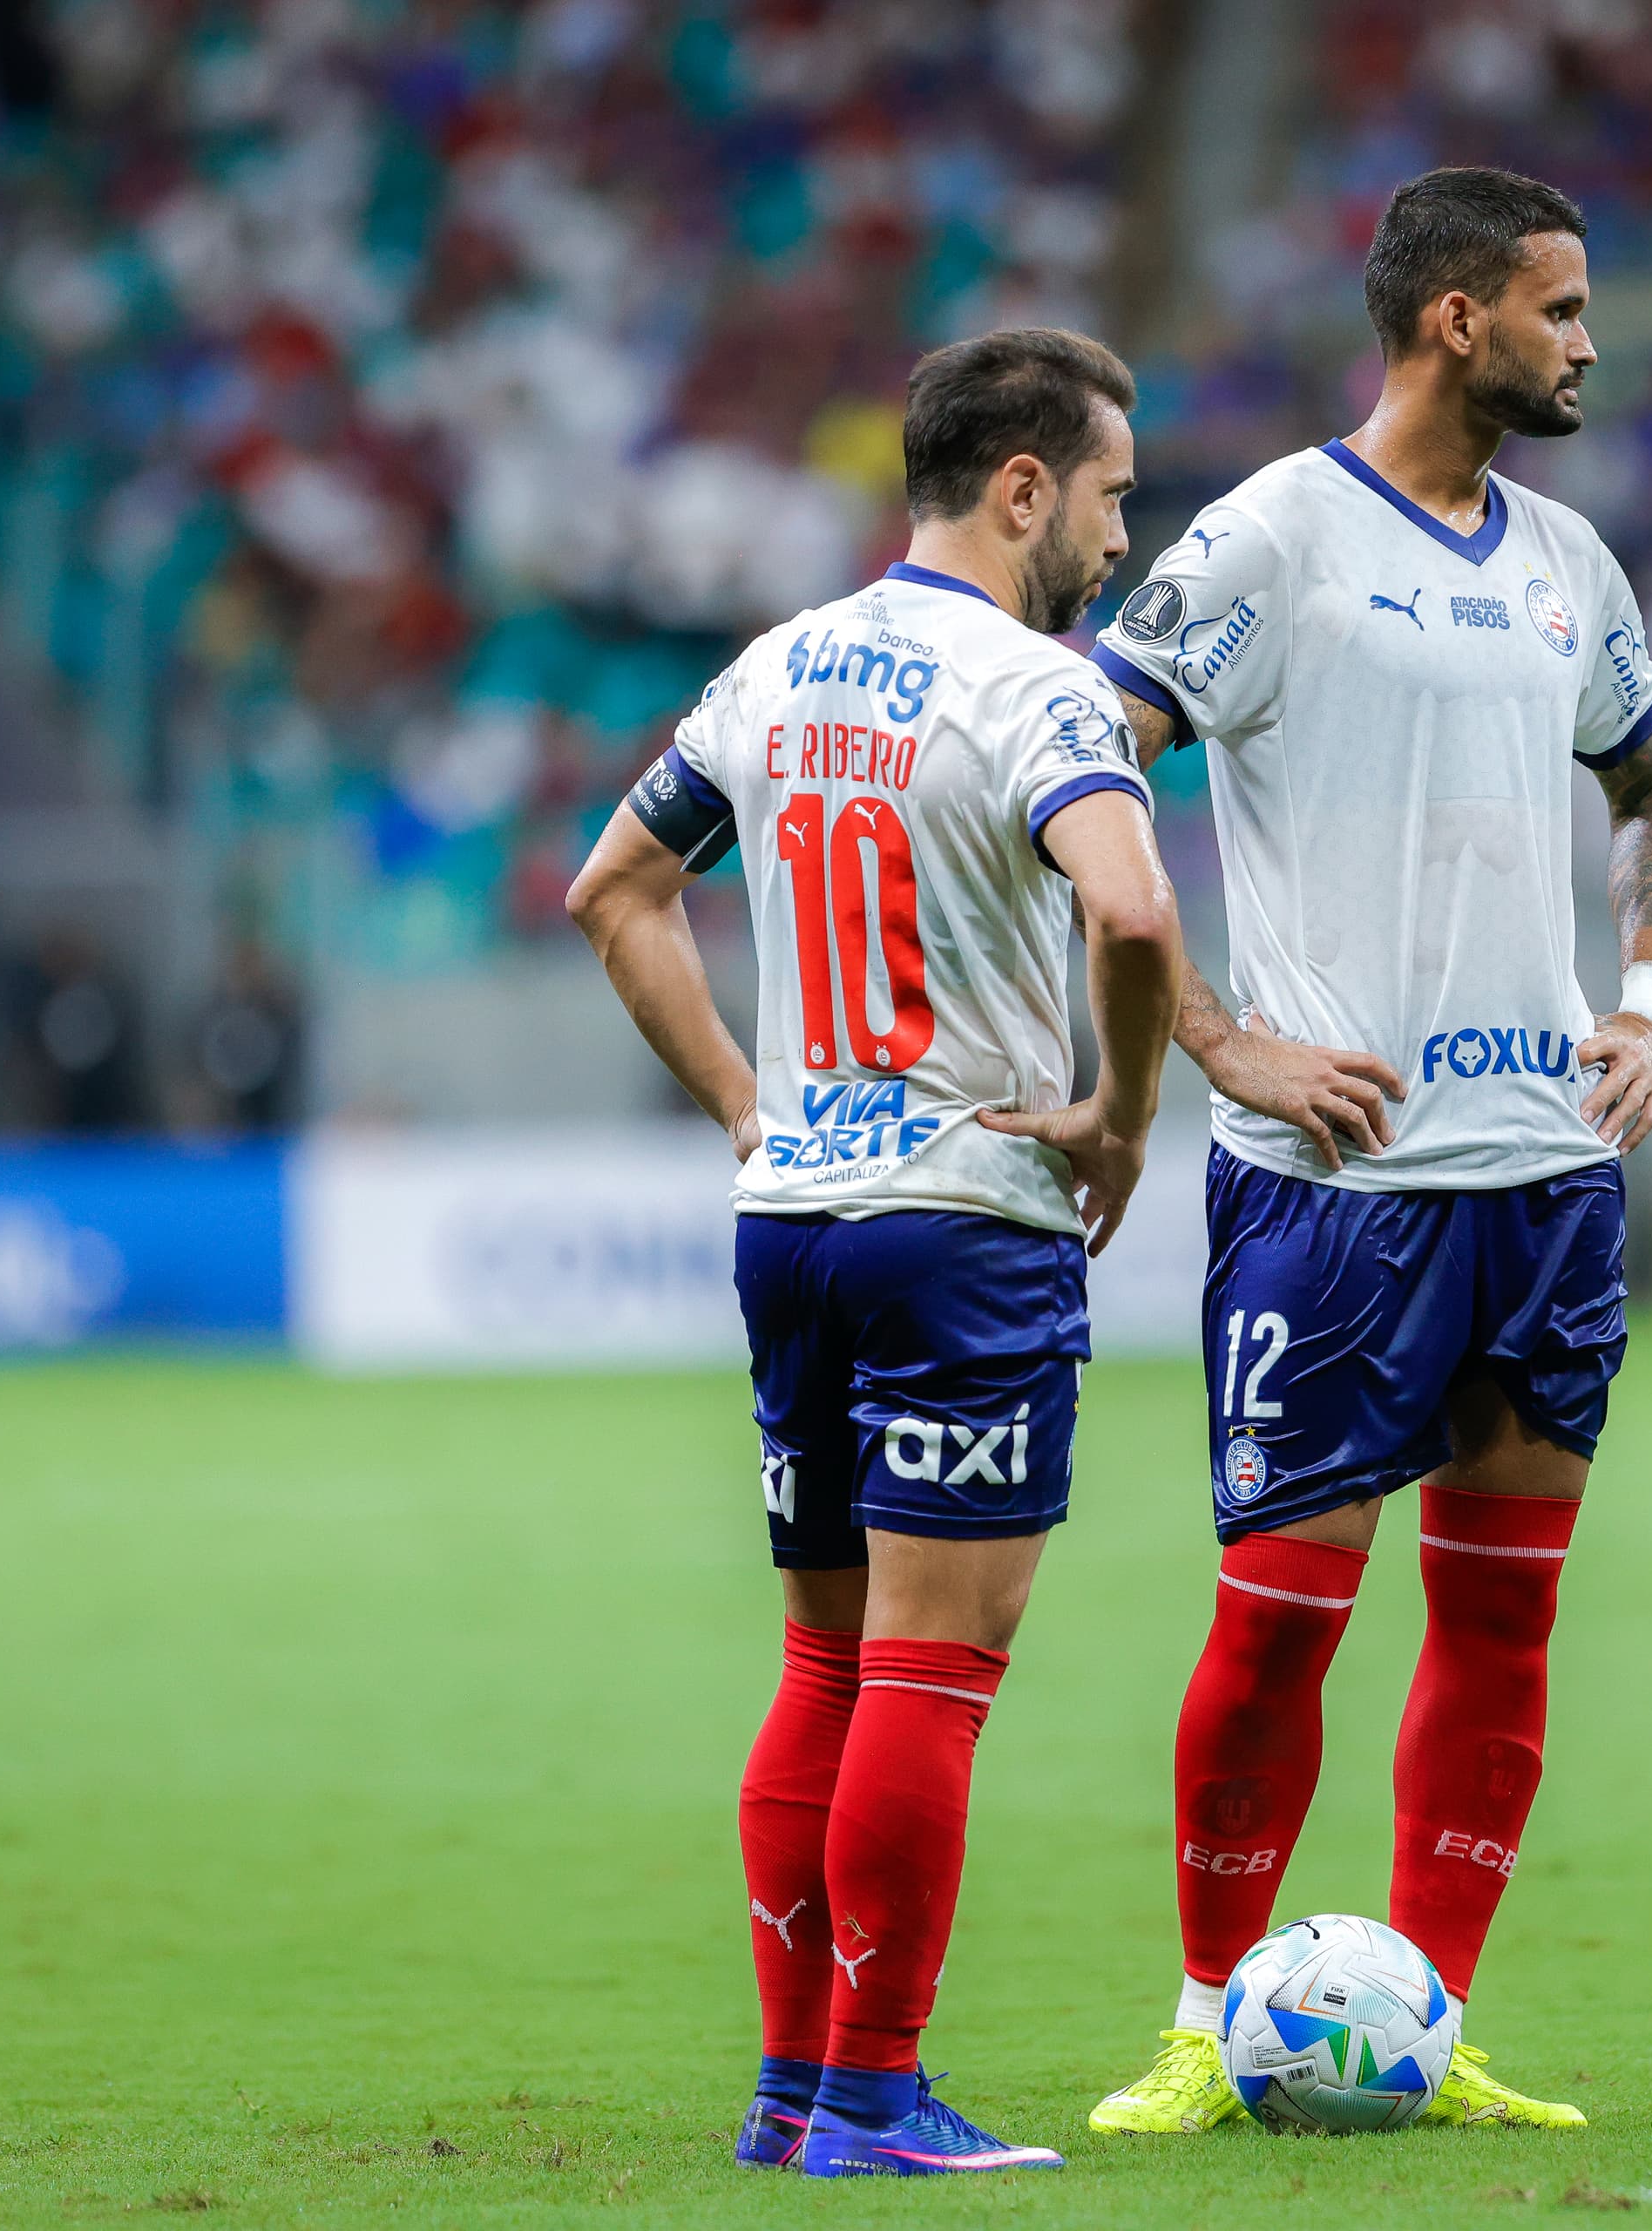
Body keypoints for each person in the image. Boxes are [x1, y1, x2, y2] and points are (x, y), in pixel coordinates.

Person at [1082, 167, 1652, 2135]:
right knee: (1277, 1628)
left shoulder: (1572, 564)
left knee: (1503, 1620)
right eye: (1561, 308)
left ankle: (1427, 2022)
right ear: (1454, 318)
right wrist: (1217, 1034)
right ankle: (1203, 2020)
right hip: (1339, 1190)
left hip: (1545, 1172)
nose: (1589, 341)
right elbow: (1080, 761)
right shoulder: (1271, 534)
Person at [566, 328, 1182, 2179]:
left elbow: (615, 887)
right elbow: (1136, 905)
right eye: (1111, 494)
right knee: (932, 1670)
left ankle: (789, 2081)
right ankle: (875, 2091)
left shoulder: (773, 668)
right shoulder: (1036, 684)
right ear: (1021, 489)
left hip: (794, 1228)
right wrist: (1125, 1113)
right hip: (960, 1219)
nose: (1121, 534)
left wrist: (756, 1109)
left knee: (824, 1660)